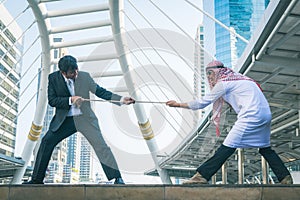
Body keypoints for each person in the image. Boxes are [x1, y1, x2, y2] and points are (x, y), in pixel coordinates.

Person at [166, 60, 293, 184]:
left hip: (250, 116)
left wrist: (178, 104)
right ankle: (285, 177)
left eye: (210, 73)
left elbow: (202, 103)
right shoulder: (242, 79)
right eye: (207, 74)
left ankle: (202, 176)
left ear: (218, 72)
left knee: (226, 147)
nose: (209, 77)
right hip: (265, 116)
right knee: (265, 149)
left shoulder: (224, 83)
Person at [24, 55, 135, 184]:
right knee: (46, 142)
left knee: (101, 146)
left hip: (85, 119)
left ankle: (117, 178)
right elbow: (52, 101)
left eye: (76, 69)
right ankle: (36, 179)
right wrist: (70, 100)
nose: (75, 73)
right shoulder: (53, 78)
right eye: (72, 72)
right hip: (65, 121)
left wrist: (121, 99)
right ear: (63, 73)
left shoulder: (84, 76)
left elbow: (100, 91)